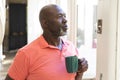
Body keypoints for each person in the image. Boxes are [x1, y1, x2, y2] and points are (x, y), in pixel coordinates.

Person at [5, 4, 88, 80]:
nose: (65, 20)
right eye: (60, 16)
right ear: (45, 23)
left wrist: (80, 72)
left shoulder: (71, 47)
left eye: (64, 16)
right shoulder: (26, 53)